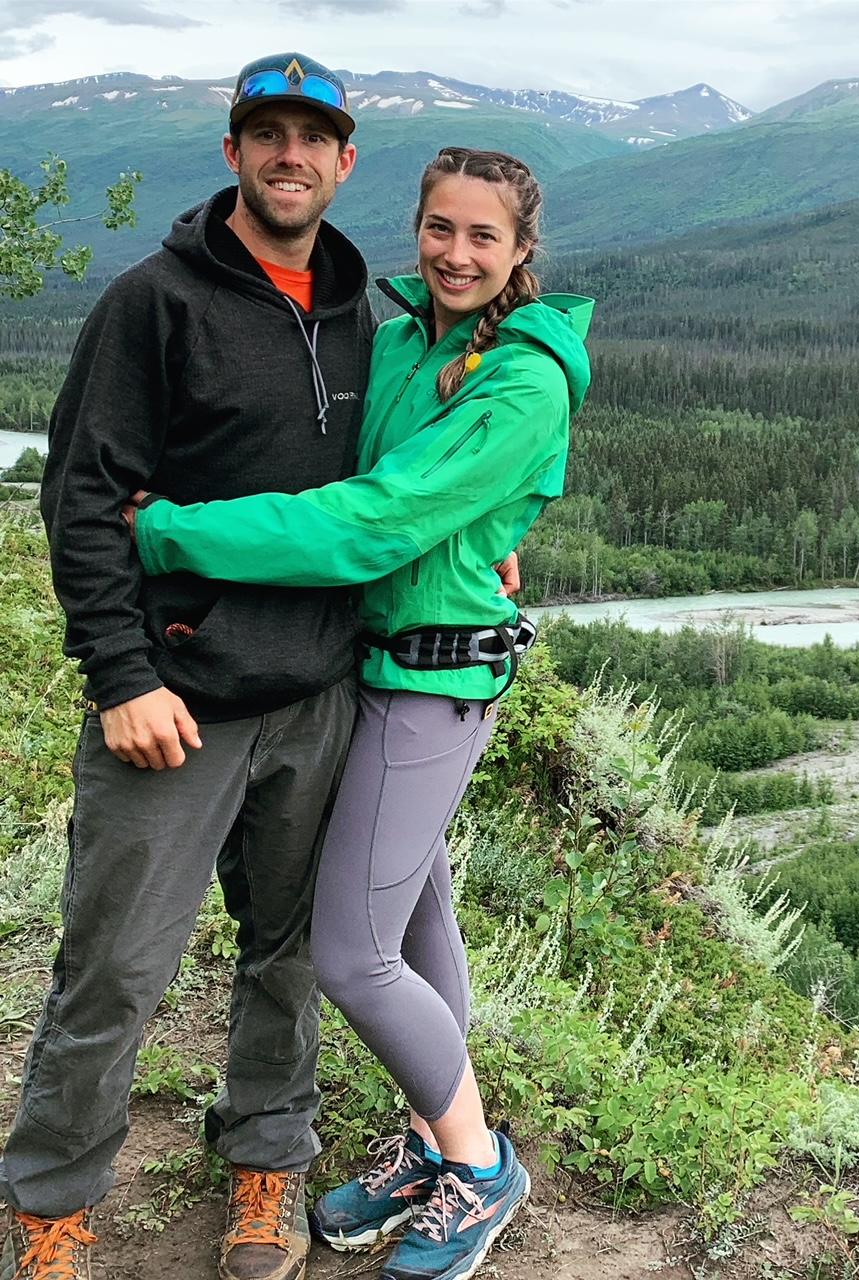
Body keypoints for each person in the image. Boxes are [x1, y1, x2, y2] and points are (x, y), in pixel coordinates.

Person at [128, 146, 592, 1280]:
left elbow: (371, 524)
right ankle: (435, 1139)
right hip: (366, 668)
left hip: (430, 685)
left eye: (483, 236)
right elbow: (347, 467)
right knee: (419, 926)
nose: (455, 254)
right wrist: (491, 534)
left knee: (352, 953)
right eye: (440, 228)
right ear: (416, 227)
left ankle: (479, 1166)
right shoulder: (401, 342)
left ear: (522, 249)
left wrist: (168, 531)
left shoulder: (524, 380)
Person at [2, 52, 374, 1280]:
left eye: (310, 138)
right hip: (175, 701)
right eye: (266, 134)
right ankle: (52, 1203)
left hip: (316, 697)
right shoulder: (152, 302)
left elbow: (395, 492)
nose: (288, 155)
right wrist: (121, 676)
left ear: (343, 161)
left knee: (289, 951)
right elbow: (81, 498)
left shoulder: (364, 317)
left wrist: (490, 542)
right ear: (232, 153)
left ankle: (267, 1160)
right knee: (113, 965)